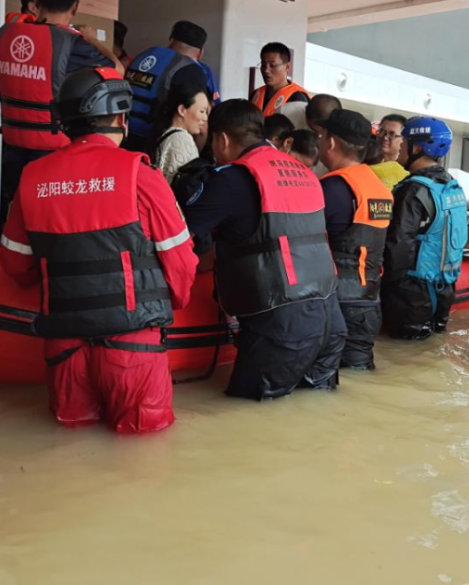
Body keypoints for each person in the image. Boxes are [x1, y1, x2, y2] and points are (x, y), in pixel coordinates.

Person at [0, 67, 197, 433]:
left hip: (64, 350)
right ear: (121, 117)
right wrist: (176, 303)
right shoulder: (141, 174)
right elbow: (181, 262)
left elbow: (15, 265)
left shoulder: (33, 177)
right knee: (144, 456)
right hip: (133, 349)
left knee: (70, 453)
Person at [182, 100, 344, 399]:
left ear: (222, 139)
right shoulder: (307, 175)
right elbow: (266, 241)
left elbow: (176, 239)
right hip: (330, 323)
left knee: (247, 426)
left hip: (282, 330)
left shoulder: (230, 179)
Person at [0, 0, 119, 225]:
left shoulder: (3, 35)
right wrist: (92, 39)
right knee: (47, 223)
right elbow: (117, 70)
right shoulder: (72, 45)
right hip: (52, 155)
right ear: (76, 6)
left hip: (10, 149)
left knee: (12, 219)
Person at [318, 109, 393, 370]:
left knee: (327, 377)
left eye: (321, 135)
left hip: (339, 304)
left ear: (330, 142)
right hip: (370, 301)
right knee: (358, 375)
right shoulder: (379, 189)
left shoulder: (332, 188)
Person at [381, 117, 467, 340]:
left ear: (417, 147)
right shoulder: (452, 186)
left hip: (411, 295)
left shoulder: (412, 191)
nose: (400, 146)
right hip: (444, 289)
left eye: (404, 141)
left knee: (401, 355)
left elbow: (397, 247)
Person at [125, 20, 218, 152]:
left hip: (123, 138)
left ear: (171, 40)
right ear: (201, 52)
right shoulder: (192, 70)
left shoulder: (141, 56)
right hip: (157, 147)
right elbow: (201, 125)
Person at [151, 80, 213, 184]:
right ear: (182, 110)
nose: (205, 118)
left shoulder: (165, 133)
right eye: (202, 111)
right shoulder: (182, 140)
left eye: (206, 113)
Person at [251, 42, 310, 128]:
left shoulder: (297, 97)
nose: (266, 70)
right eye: (263, 65)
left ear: (287, 67)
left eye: (273, 65)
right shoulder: (256, 94)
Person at [371, 114, 411, 190]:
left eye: (392, 134)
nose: (385, 137)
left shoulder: (405, 172)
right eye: (382, 131)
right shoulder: (363, 159)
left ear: (403, 139)